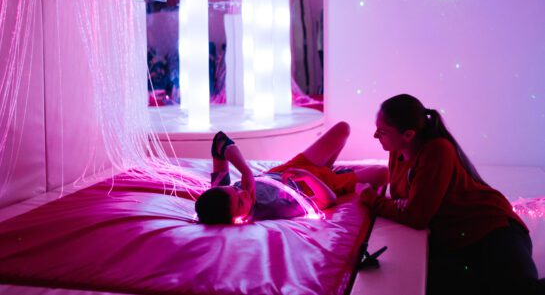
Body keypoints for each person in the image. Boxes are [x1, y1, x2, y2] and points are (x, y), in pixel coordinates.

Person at [359, 94, 545, 295]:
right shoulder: (397, 152)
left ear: (408, 135)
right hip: (457, 239)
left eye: (382, 131)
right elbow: (406, 204)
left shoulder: (437, 150)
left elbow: (415, 216)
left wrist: (371, 199)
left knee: (524, 292)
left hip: (493, 229)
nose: (375, 136)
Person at [195, 121, 388, 224]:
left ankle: (328, 167)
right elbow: (328, 200)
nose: (242, 192)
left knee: (343, 129)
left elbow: (219, 141)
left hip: (288, 168)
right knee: (383, 174)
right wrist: (309, 177)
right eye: (240, 201)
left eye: (235, 189)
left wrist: (245, 171)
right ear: (238, 219)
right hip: (313, 182)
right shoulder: (271, 209)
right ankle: (331, 172)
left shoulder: (221, 194)